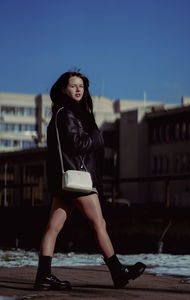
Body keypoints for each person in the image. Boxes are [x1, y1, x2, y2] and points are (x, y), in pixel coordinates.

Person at [34, 70, 146, 291]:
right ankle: (118, 272)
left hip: (65, 180)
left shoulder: (61, 112)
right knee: (99, 224)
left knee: (53, 228)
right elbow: (76, 144)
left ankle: (43, 276)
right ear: (63, 89)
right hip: (78, 179)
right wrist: (96, 136)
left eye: (81, 86)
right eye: (73, 86)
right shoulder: (68, 113)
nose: (78, 89)